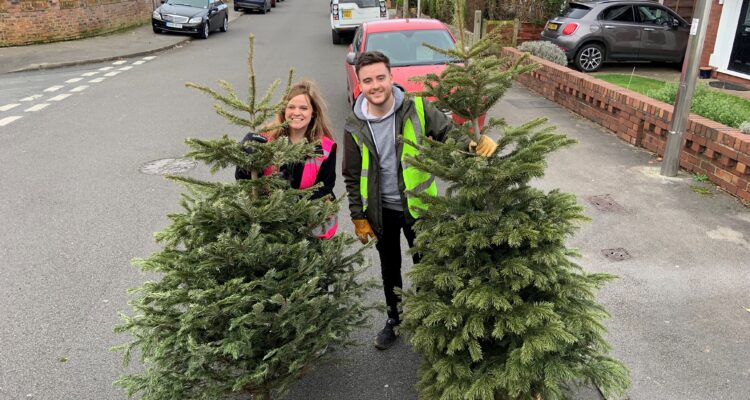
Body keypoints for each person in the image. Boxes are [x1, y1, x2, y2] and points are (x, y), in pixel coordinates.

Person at [342, 51, 497, 350]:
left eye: (380, 78)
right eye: (368, 80)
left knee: (426, 264)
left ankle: (430, 318)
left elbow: (448, 132)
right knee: (389, 268)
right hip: (381, 211)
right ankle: (394, 319)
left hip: (420, 206)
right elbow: (351, 174)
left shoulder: (416, 108)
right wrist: (358, 215)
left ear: (391, 78)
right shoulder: (354, 124)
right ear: (360, 84)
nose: (375, 85)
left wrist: (473, 143)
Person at [236, 80, 338, 239]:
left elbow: (325, 188)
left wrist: (294, 203)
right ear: (284, 110)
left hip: (307, 226)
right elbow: (245, 181)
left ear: (313, 113)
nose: (296, 112)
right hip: (269, 222)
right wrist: (245, 156)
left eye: (303, 108)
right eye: (291, 107)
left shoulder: (325, 147)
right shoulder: (265, 139)